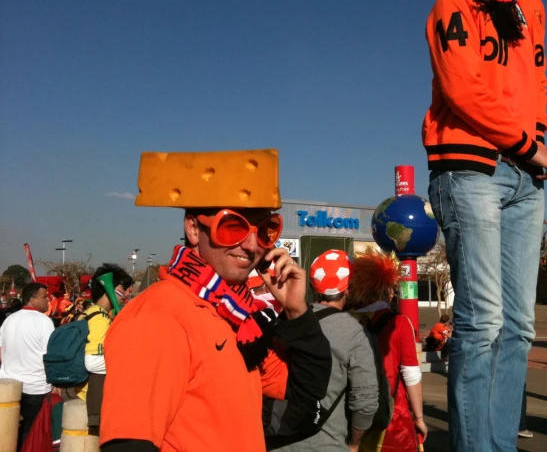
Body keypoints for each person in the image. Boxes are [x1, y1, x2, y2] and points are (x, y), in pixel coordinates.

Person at [422, 0, 547, 449]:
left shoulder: (534, 7)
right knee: (481, 324)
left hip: (526, 177)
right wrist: (530, 145)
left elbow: (538, 80)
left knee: (519, 328)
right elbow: (462, 90)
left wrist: (538, 143)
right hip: (470, 169)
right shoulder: (453, 1)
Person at [99, 149, 331, 452]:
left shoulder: (236, 316)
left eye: (264, 231)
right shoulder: (159, 316)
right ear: (194, 229)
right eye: (232, 226)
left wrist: (297, 311)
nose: (250, 245)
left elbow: (308, 388)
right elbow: (128, 445)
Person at [271, 250, 379, 452]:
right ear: (348, 289)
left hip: (276, 440)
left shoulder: (286, 320)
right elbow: (366, 402)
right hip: (326, 444)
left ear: (312, 285)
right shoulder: (354, 332)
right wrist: (355, 444)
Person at [348, 249, 427, 451]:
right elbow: (411, 374)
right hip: (392, 419)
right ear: (386, 290)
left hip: (350, 416)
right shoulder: (399, 322)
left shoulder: (346, 319)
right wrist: (419, 417)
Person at [75, 265, 134, 436]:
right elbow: (93, 362)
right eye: (122, 288)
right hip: (94, 399)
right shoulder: (100, 318)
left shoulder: (90, 313)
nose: (126, 294)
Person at [0, 282, 54, 449]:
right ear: (32, 299)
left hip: (8, 386)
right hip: (36, 387)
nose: (48, 300)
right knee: (31, 435)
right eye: (44, 297)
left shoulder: (9, 320)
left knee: (8, 432)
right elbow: (50, 355)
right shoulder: (44, 321)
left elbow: (2, 351)